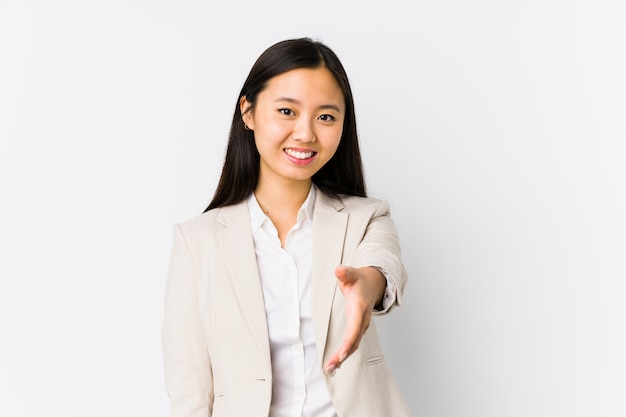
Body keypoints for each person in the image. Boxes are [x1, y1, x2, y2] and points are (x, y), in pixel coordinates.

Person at [162, 37, 412, 417]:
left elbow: (382, 265)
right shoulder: (197, 241)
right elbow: (189, 390)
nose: (306, 134)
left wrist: (366, 285)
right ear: (248, 112)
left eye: (326, 116)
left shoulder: (366, 218)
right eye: (287, 111)